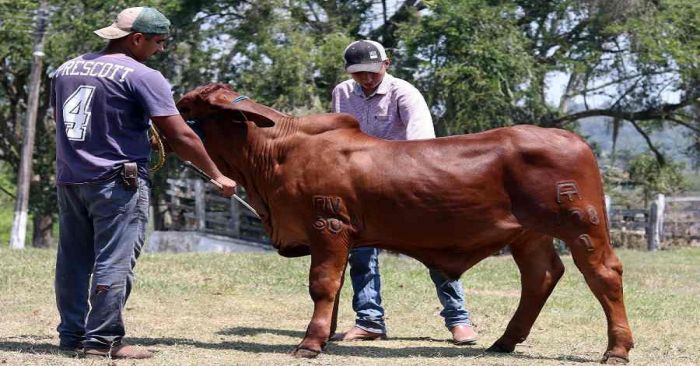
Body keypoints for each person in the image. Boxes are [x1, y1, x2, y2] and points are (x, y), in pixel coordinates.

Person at [51, 7, 236, 359]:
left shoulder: (65, 69)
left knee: (73, 260)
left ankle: (72, 335)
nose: (161, 49)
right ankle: (101, 341)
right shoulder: (143, 75)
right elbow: (180, 134)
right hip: (117, 182)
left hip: (71, 179)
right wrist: (216, 173)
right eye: (159, 41)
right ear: (137, 38)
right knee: (114, 261)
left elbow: (74, 120)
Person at [329, 40, 478, 345]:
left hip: (406, 185)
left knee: (435, 251)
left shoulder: (404, 93)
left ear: (387, 64)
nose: (367, 79)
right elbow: (338, 142)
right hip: (359, 188)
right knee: (360, 255)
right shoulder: (342, 93)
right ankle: (370, 321)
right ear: (349, 72)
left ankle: (458, 319)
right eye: (359, 74)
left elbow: (421, 146)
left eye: (372, 72)